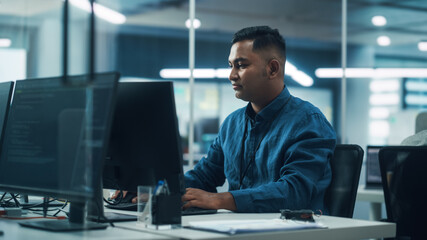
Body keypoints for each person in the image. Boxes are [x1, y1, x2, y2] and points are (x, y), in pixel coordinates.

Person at [182, 26, 336, 213]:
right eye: (231, 66)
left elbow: (294, 192)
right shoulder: (232, 124)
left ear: (272, 69)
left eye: (241, 65)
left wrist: (222, 200)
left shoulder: (308, 122)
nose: (231, 75)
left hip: (292, 231)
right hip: (239, 230)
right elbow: (204, 176)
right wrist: (163, 191)